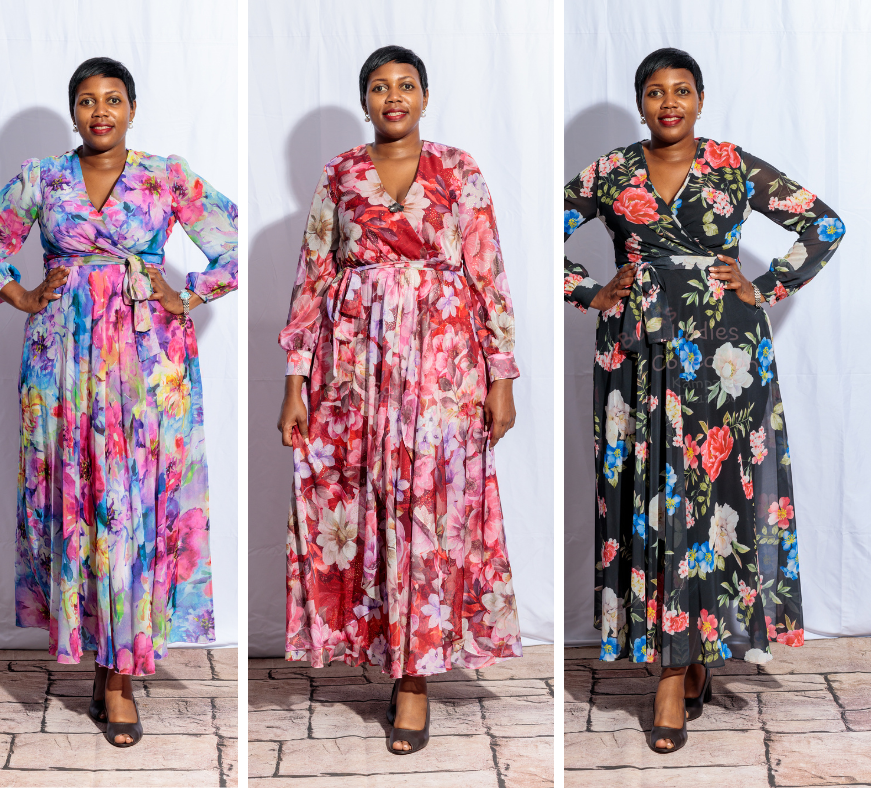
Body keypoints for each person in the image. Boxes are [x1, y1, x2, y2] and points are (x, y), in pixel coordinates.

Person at [0, 57, 237, 747]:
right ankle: (98, 654)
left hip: (147, 361)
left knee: (134, 505)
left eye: (113, 98)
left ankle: (120, 678)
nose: (100, 110)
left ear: (133, 108)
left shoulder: (166, 174)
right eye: (86, 100)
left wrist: (185, 293)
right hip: (62, 362)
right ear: (73, 111)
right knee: (80, 500)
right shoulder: (43, 177)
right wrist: (20, 294)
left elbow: (230, 244)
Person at [563, 48, 844, 753]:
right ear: (640, 103)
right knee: (652, 498)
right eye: (655, 92)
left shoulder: (732, 164)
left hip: (725, 357)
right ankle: (679, 660)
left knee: (710, 497)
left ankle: (682, 662)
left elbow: (824, 224)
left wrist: (766, 286)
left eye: (681, 90)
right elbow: (527, 231)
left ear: (701, 98)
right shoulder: (611, 171)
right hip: (636, 355)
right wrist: (588, 290)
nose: (669, 103)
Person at [277, 45, 522, 754]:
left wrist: (502, 376)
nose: (393, 96)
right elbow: (313, 275)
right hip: (354, 368)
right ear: (365, 101)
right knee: (363, 505)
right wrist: (295, 383)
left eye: (405, 84)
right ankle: (380, 650)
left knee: (432, 510)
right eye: (380, 87)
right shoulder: (340, 173)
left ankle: (414, 679)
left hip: (444, 367)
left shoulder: (459, 169)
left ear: (425, 96)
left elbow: (488, 272)